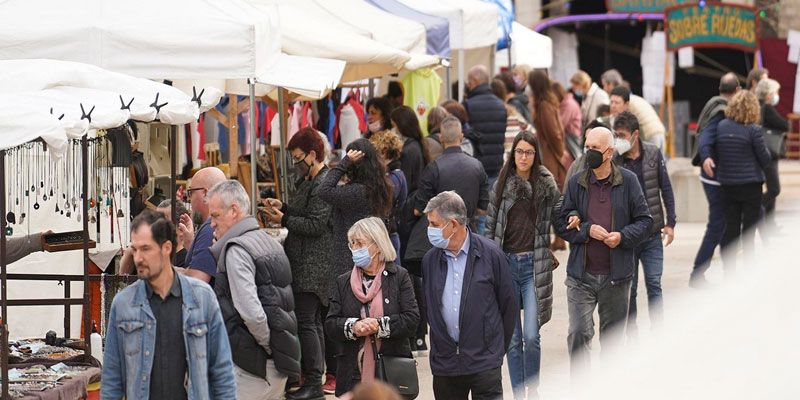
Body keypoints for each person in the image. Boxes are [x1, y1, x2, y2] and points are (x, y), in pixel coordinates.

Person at [101, 210, 236, 400]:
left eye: (145, 249)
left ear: (166, 248)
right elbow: (112, 379)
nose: (138, 258)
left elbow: (222, 372)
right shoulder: (123, 304)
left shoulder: (202, 299)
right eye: (135, 249)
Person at [555, 127, 652, 376]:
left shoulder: (628, 181)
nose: (589, 152)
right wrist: (586, 229)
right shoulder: (577, 182)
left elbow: (645, 221)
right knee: (578, 333)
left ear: (609, 152)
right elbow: (562, 223)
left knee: (612, 345)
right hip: (581, 276)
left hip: (616, 277)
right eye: (587, 147)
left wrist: (622, 237)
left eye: (594, 148)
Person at [402, 116, 490, 353]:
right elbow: (483, 207)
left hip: (439, 240)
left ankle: (446, 341)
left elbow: (419, 208)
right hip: (466, 235)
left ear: (441, 139)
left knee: (440, 292)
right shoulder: (476, 166)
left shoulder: (434, 168)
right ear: (461, 137)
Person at [208, 180, 301, 400]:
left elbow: (252, 313)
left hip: (253, 366)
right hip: (276, 363)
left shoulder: (237, 250)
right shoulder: (269, 242)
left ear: (233, 211)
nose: (211, 224)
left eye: (215, 216)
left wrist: (269, 346)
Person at [484, 131, 561, 400]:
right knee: (513, 340)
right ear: (513, 154)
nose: (523, 157)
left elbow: (562, 211)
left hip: (533, 267)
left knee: (531, 336)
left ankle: (533, 388)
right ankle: (519, 393)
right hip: (506, 267)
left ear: (535, 155)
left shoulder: (546, 185)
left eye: (529, 152)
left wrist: (574, 219)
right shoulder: (501, 185)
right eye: (519, 152)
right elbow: (490, 228)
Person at [422, 191, 518, 400]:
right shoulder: (430, 260)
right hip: (445, 364)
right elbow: (430, 307)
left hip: (484, 362)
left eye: (434, 224)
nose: (429, 229)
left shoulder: (491, 255)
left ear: (453, 224)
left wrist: (494, 350)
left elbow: (509, 306)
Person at [318, 138, 393, 392]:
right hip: (368, 260)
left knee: (348, 329)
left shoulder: (356, 193)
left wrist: (343, 163)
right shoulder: (378, 189)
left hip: (348, 262)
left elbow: (324, 190)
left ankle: (353, 384)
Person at [263, 128, 332, 400]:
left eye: (298, 157)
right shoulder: (312, 180)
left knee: (307, 322)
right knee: (311, 322)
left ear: (312, 155)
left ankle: (314, 382)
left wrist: (284, 219)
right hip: (306, 262)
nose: (295, 163)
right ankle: (314, 378)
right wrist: (285, 207)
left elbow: (316, 224)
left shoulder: (323, 183)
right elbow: (306, 213)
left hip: (312, 265)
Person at [325, 217, 419, 398]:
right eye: (352, 243)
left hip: (390, 372)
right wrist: (354, 327)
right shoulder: (343, 281)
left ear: (377, 245)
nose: (355, 248)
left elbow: (412, 319)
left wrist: (379, 325)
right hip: (353, 374)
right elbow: (331, 324)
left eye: (360, 243)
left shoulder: (399, 277)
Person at [611, 111, 676, 332]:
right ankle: (632, 335)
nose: (618, 140)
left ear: (635, 134)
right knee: (630, 290)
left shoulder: (653, 153)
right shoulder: (615, 161)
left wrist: (671, 223)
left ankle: (658, 332)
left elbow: (666, 188)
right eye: (615, 135)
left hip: (652, 234)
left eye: (622, 135)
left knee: (654, 283)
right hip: (628, 236)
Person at [712, 91, 771, 273]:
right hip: (751, 186)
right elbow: (765, 159)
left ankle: (729, 273)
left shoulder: (721, 127)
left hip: (727, 185)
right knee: (748, 234)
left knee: (731, 231)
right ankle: (748, 274)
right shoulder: (754, 130)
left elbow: (717, 153)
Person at [691, 73, 740, 286]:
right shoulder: (720, 111)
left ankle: (727, 274)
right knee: (718, 225)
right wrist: (707, 157)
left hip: (717, 175)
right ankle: (698, 274)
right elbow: (706, 138)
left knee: (724, 225)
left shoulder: (714, 104)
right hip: (714, 177)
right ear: (737, 90)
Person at [179, 166, 228, 283]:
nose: (189, 199)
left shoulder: (210, 228)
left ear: (205, 193)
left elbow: (197, 281)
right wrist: (191, 244)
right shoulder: (223, 223)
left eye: (191, 192)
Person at [601, 69, 666, 150]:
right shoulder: (632, 97)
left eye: (604, 85)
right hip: (659, 131)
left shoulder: (625, 101)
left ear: (610, 84)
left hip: (649, 134)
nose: (604, 88)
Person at [464, 65, 508, 182]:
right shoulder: (501, 105)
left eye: (469, 81)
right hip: (496, 164)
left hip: (475, 164)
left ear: (474, 81)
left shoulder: (468, 105)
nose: (468, 85)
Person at [369, 130, 409, 261]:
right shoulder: (394, 175)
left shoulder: (395, 176)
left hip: (388, 235)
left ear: (384, 152)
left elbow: (381, 198)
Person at [755, 78, 786, 229]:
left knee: (771, 188)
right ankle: (754, 208)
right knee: (774, 189)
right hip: (769, 153)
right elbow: (784, 125)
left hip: (764, 151)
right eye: (775, 92)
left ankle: (767, 223)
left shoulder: (758, 106)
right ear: (769, 94)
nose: (776, 95)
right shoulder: (767, 108)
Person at [391, 105, 430, 194]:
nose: (392, 130)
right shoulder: (417, 144)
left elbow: (405, 184)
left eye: (393, 126)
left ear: (402, 126)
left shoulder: (407, 151)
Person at [490, 77, 531, 155]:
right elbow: (531, 132)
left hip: (495, 157)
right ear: (504, 94)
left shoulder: (486, 114)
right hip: (513, 156)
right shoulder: (512, 113)